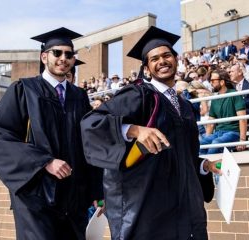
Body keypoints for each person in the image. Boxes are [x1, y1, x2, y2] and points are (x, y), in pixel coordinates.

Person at [80, 26, 218, 240]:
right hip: (148, 209)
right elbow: (92, 122)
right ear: (147, 69)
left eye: (166, 55)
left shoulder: (186, 107)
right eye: (154, 59)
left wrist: (203, 165)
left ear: (176, 59)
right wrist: (134, 130)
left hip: (186, 209)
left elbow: (183, 156)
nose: (162, 61)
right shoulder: (139, 95)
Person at [0, 27, 103, 240]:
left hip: (73, 195)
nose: (63, 58)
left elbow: (89, 144)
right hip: (36, 196)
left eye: (69, 54)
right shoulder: (23, 90)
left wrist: (96, 191)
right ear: (44, 56)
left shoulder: (79, 96)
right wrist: (45, 161)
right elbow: (0, 134)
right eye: (57, 53)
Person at [200, 70, 247, 155]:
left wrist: (242, 140)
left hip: (233, 132)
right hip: (219, 133)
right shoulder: (215, 99)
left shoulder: (234, 94)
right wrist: (207, 137)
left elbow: (242, 118)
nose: (211, 83)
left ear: (222, 82)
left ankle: (211, 167)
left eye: (213, 80)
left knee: (216, 143)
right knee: (201, 144)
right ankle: (203, 167)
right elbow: (211, 122)